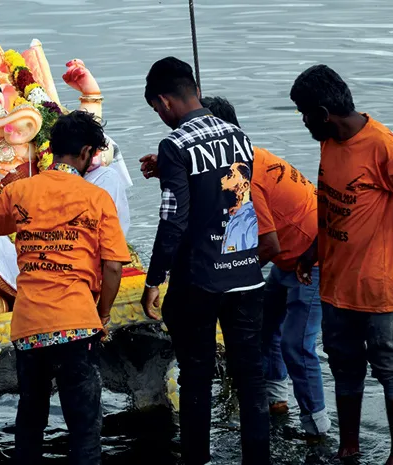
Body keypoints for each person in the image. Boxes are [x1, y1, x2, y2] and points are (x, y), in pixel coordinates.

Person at [290, 64, 393, 465]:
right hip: (335, 288)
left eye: (305, 114)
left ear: (324, 113)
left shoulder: (382, 145)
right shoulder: (328, 142)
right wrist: (311, 254)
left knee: (391, 368)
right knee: (345, 370)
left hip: (378, 291)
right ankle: (349, 447)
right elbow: (330, 210)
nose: (304, 121)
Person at [0, 110, 131, 464]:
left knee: (31, 420)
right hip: (77, 323)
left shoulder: (20, 191)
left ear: (51, 150)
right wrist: (101, 314)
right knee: (85, 428)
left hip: (30, 326)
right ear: (86, 152)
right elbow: (113, 266)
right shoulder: (96, 198)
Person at [139, 57, 270, 465]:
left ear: (164, 100)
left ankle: (196, 460)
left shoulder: (175, 144)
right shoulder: (239, 135)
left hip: (199, 280)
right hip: (246, 275)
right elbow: (226, 195)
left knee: (196, 380)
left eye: (157, 110)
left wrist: (154, 278)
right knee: (251, 380)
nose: (161, 118)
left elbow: (174, 217)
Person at [200, 95, 330, 437]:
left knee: (297, 345)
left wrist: (227, 273)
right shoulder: (245, 157)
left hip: (314, 258)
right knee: (267, 327)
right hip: (290, 256)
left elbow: (267, 246)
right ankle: (276, 400)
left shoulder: (245, 177)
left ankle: (317, 429)